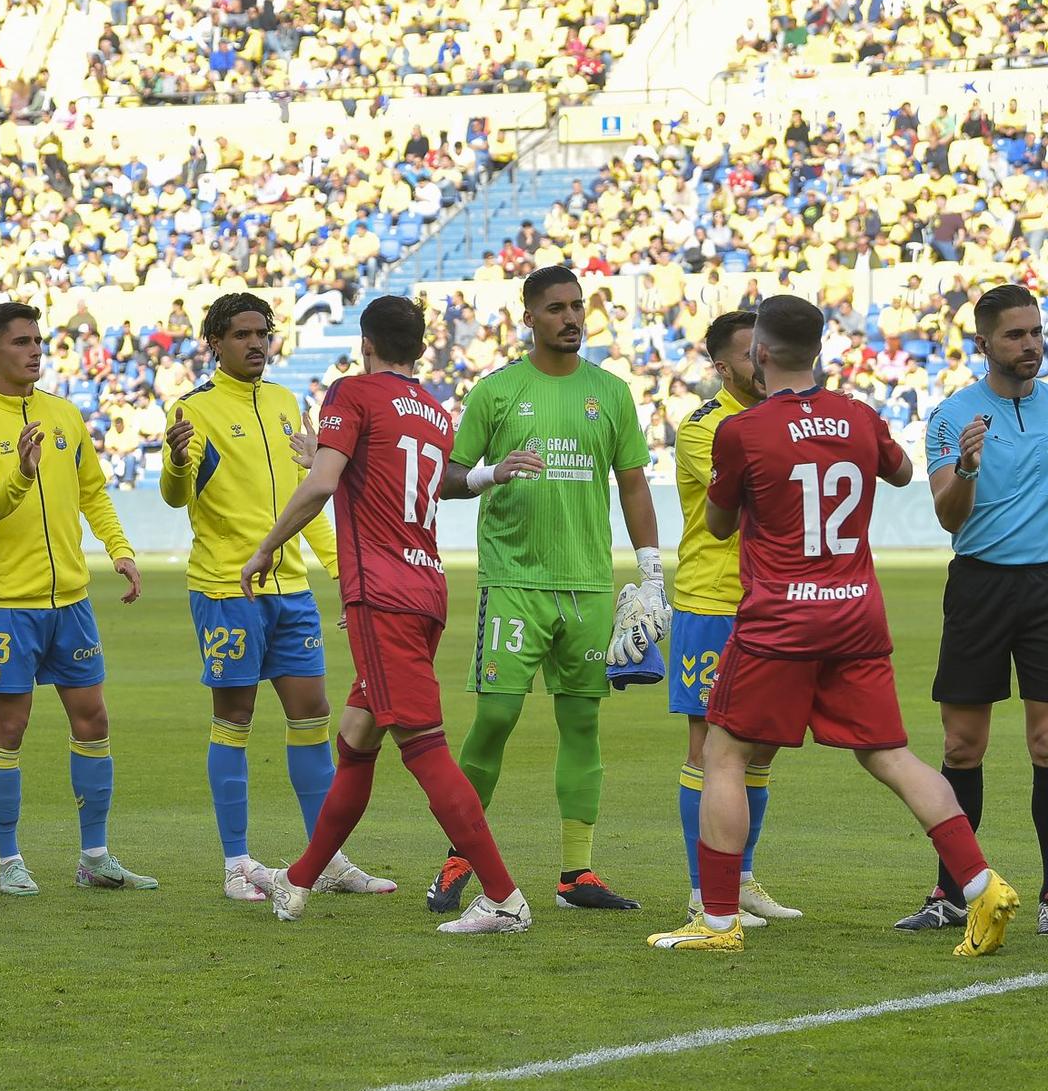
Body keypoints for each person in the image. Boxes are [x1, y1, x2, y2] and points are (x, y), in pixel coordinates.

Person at [650, 294, 1020, 955]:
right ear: (818, 352)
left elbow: (719, 524)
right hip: (854, 609)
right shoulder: (858, 416)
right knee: (891, 754)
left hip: (780, 619)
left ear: (760, 353)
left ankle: (718, 920)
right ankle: (980, 881)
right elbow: (903, 472)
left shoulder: (742, 431)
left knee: (722, 753)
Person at [239, 296, 537, 931]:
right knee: (355, 740)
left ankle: (504, 898)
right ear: (420, 348)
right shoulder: (432, 409)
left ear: (365, 341)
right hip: (426, 588)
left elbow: (324, 485)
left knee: (424, 747)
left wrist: (267, 545)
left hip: (382, 591)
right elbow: (420, 480)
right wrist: (487, 476)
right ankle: (297, 883)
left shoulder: (352, 392)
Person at [431, 265, 666, 914]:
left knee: (582, 723)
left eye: (577, 306)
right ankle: (459, 855)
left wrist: (650, 573)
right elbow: (446, 477)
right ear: (528, 317)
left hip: (587, 586)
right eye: (556, 307)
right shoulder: (498, 391)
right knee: (498, 716)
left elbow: (634, 484)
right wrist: (491, 474)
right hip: (514, 581)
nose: (571, 317)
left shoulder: (611, 393)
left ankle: (577, 874)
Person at [159, 292, 392, 900]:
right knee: (234, 720)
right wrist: (179, 462)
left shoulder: (288, 403)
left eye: (263, 332)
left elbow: (309, 500)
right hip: (226, 585)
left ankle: (327, 859)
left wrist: (345, 576)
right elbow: (175, 497)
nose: (256, 343)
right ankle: (237, 863)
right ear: (215, 342)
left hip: (291, 589)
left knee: (313, 715)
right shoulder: (193, 409)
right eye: (242, 334)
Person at [0, 301, 150, 896]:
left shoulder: (64, 416)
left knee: (94, 720)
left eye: (38, 340)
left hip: (73, 603)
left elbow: (94, 494)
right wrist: (22, 475)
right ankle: (9, 861)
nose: (34, 350)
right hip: (10, 604)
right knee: (9, 727)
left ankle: (95, 856)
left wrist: (120, 550)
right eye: (21, 342)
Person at [909, 283, 1048, 936]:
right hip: (979, 586)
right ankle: (952, 894)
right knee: (963, 746)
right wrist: (967, 466)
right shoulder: (952, 414)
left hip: (1046, 589)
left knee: (1047, 741)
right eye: (1016, 335)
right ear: (984, 343)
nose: (1031, 345)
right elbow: (946, 514)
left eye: (1036, 331)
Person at [668, 312, 799, 924]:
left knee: (763, 747)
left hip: (769, 604)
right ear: (723, 367)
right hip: (712, 601)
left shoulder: (781, 421)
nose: (763, 363)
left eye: (767, 350)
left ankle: (741, 879)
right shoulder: (703, 428)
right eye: (751, 355)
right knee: (710, 747)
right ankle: (703, 889)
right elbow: (757, 501)